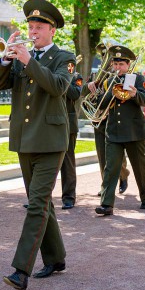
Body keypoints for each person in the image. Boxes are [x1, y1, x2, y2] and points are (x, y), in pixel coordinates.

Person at [0, 0, 76, 290]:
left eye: (39, 26)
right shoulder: (20, 56)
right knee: (42, 203)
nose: (34, 30)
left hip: (51, 140)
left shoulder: (65, 57)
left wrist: (29, 61)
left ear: (52, 30)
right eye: (30, 25)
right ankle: (56, 258)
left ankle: (20, 270)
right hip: (25, 139)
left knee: (36, 204)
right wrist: (5, 59)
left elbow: (58, 87)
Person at [92, 45, 145, 216]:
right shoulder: (108, 81)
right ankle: (106, 204)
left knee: (140, 166)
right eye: (115, 64)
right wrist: (112, 93)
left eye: (121, 64)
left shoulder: (136, 78)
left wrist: (134, 94)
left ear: (128, 64)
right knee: (110, 168)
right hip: (114, 131)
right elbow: (99, 104)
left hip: (134, 130)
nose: (117, 68)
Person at [88, 42, 131, 195]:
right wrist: (90, 86)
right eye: (104, 55)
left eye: (109, 56)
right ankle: (105, 186)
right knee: (102, 154)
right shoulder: (96, 75)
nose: (106, 59)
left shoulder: (126, 75)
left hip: (116, 117)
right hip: (99, 117)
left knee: (117, 155)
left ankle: (123, 174)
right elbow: (87, 94)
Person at [60, 69, 83, 209]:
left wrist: (62, 78)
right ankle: (38, 197)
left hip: (68, 124)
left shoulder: (75, 76)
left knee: (67, 162)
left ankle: (69, 197)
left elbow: (75, 94)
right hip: (47, 124)